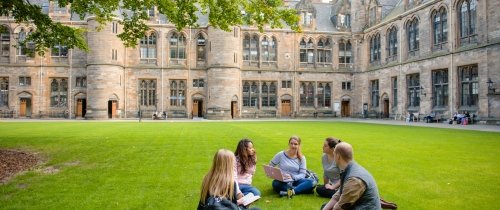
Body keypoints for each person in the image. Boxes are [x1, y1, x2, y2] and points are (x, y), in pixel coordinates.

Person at [322, 142, 381, 210]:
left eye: (334, 154)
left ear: (338, 156)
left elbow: (340, 207)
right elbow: (338, 195)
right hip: (358, 206)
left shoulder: (354, 180)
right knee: (325, 206)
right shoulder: (350, 169)